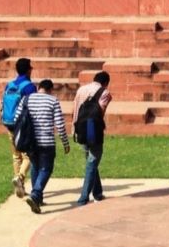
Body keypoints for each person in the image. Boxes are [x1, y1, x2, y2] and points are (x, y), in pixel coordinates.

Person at [12, 79, 70, 214]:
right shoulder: (53, 101)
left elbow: (16, 119)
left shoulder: (26, 99)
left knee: (36, 167)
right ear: (50, 90)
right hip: (47, 142)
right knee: (46, 169)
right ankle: (36, 194)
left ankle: (38, 200)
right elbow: (60, 125)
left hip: (30, 142)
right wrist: (65, 143)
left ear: (38, 87)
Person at [72, 71, 112, 206]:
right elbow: (99, 114)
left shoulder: (81, 89)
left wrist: (74, 130)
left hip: (81, 129)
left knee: (91, 161)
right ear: (106, 83)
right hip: (93, 131)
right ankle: (83, 197)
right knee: (92, 162)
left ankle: (98, 192)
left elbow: (76, 110)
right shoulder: (105, 93)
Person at [1, 58, 37, 198]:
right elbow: (32, 106)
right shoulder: (29, 86)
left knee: (16, 155)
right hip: (22, 125)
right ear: (28, 70)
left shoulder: (9, 85)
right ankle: (20, 178)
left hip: (9, 123)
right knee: (28, 156)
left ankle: (19, 187)